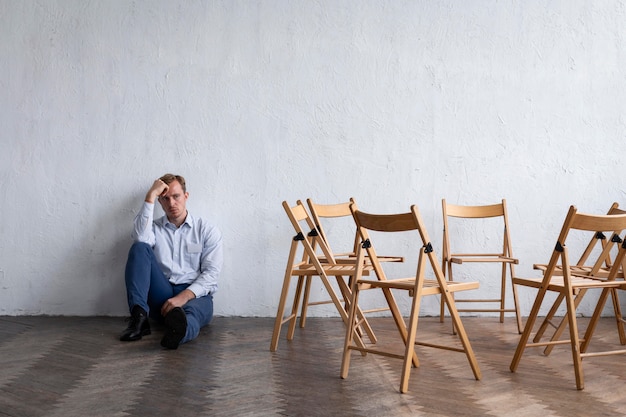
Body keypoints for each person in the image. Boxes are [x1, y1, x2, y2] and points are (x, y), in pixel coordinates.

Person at [120, 173, 223, 349]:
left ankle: (178, 332)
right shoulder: (154, 229)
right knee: (139, 247)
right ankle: (139, 318)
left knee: (193, 314)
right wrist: (150, 196)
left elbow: (211, 274)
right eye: (165, 199)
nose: (171, 203)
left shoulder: (206, 230)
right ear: (160, 202)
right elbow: (140, 238)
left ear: (186, 196)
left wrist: (183, 297)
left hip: (193, 295)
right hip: (163, 294)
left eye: (176, 196)